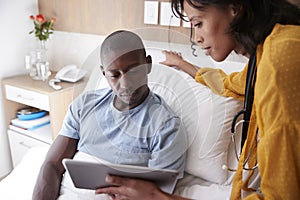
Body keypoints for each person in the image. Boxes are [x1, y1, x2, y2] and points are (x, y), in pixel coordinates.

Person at [96, 0, 300, 199]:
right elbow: (230, 84)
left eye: (198, 24)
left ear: (234, 8)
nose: (196, 38)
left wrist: (156, 197)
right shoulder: (266, 54)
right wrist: (181, 63)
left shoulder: (279, 61)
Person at [32, 30, 187, 200]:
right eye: (114, 75)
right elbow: (52, 165)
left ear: (148, 64)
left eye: (133, 71)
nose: (126, 84)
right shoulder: (84, 106)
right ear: (104, 73)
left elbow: (156, 195)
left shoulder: (167, 127)